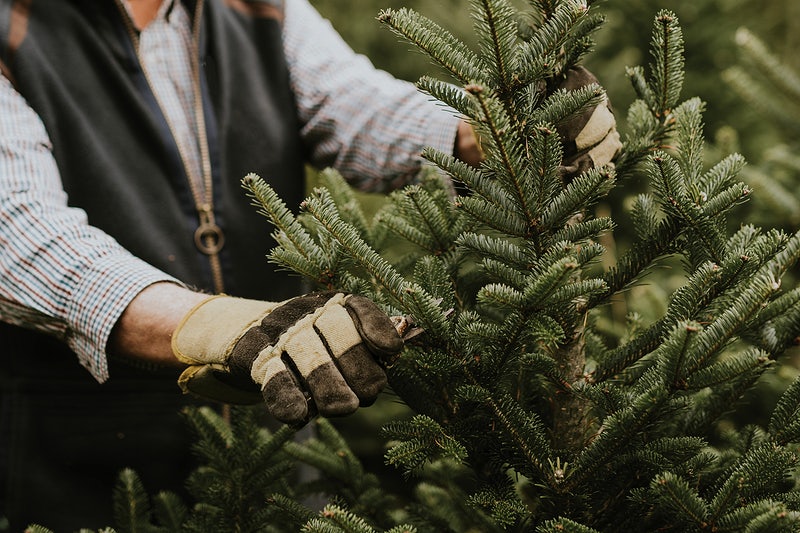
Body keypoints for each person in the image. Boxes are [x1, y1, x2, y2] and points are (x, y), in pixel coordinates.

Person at [0, 0, 619, 530]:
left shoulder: (259, 7)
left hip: (282, 454)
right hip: (87, 476)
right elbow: (22, 232)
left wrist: (483, 132)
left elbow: (354, 105)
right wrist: (211, 326)